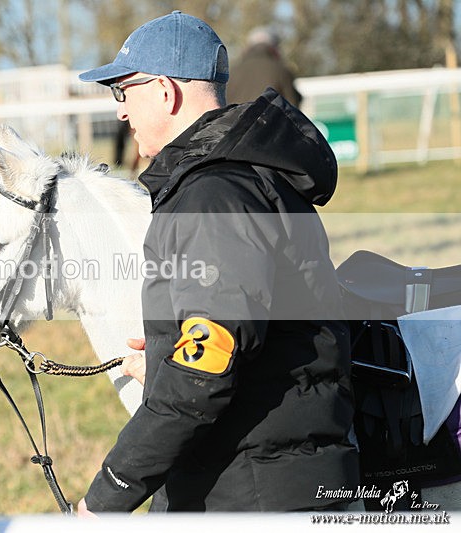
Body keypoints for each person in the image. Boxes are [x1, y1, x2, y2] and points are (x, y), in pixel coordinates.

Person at [76, 11, 358, 513]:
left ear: (165, 92)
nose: (120, 111)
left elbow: (201, 376)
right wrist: (165, 361)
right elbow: (241, 343)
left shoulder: (214, 194)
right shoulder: (246, 178)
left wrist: (106, 497)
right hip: (262, 475)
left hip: (253, 493)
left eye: (124, 92)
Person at [227, 26, 302, 107]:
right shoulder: (281, 71)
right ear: (274, 47)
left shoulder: (232, 71)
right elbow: (292, 105)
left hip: (236, 119)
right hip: (271, 119)